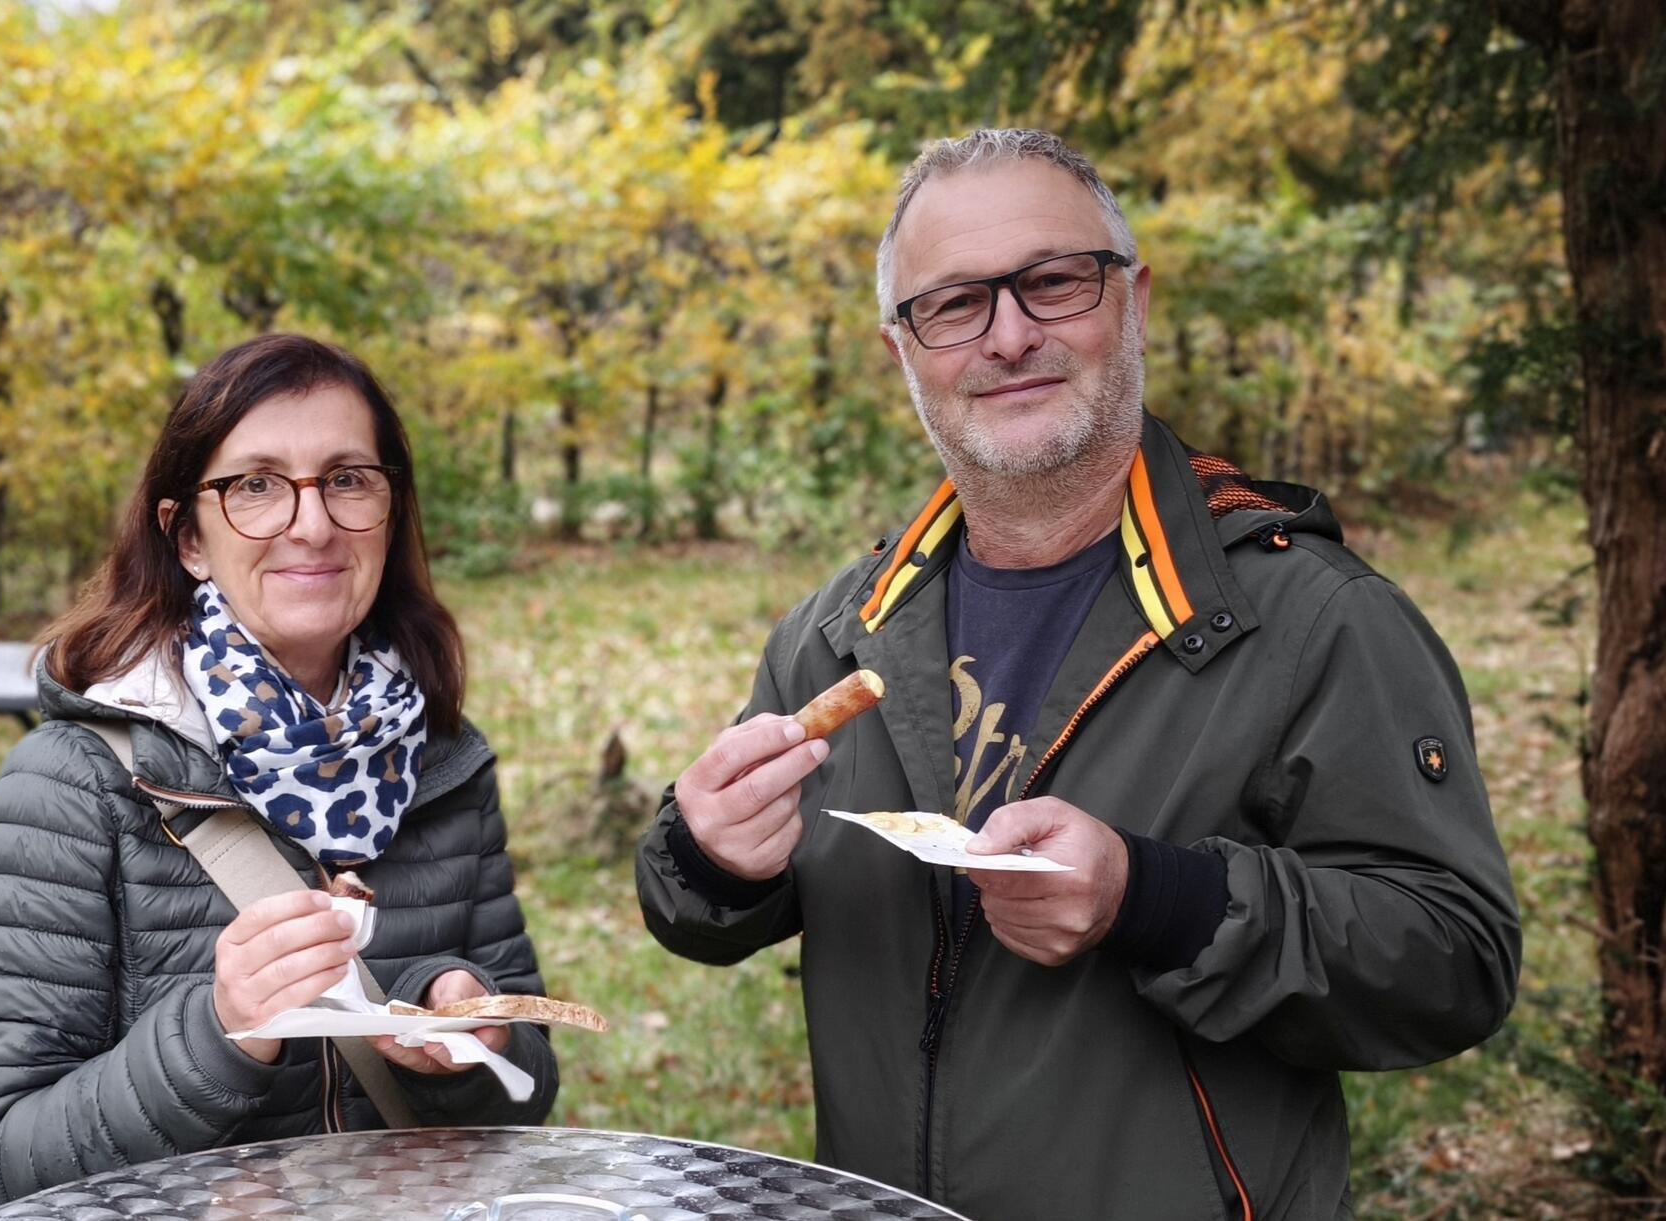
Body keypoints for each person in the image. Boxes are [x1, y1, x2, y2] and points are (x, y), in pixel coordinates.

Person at [636, 129, 1520, 1220]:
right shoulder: (840, 631)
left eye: (1053, 283)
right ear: (901, 349)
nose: (1008, 336)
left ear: (1132, 299)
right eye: (955, 305)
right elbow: (701, 918)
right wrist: (709, 854)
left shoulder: (1311, 620)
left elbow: (1457, 961)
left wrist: (1155, 901)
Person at [0, 334, 557, 1214]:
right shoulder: (69, 784)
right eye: (256, 486)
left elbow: (527, 1101)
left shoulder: (442, 762)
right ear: (189, 537)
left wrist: (461, 1037)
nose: (312, 523)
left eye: (347, 478)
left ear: (389, 510)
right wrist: (222, 1031)